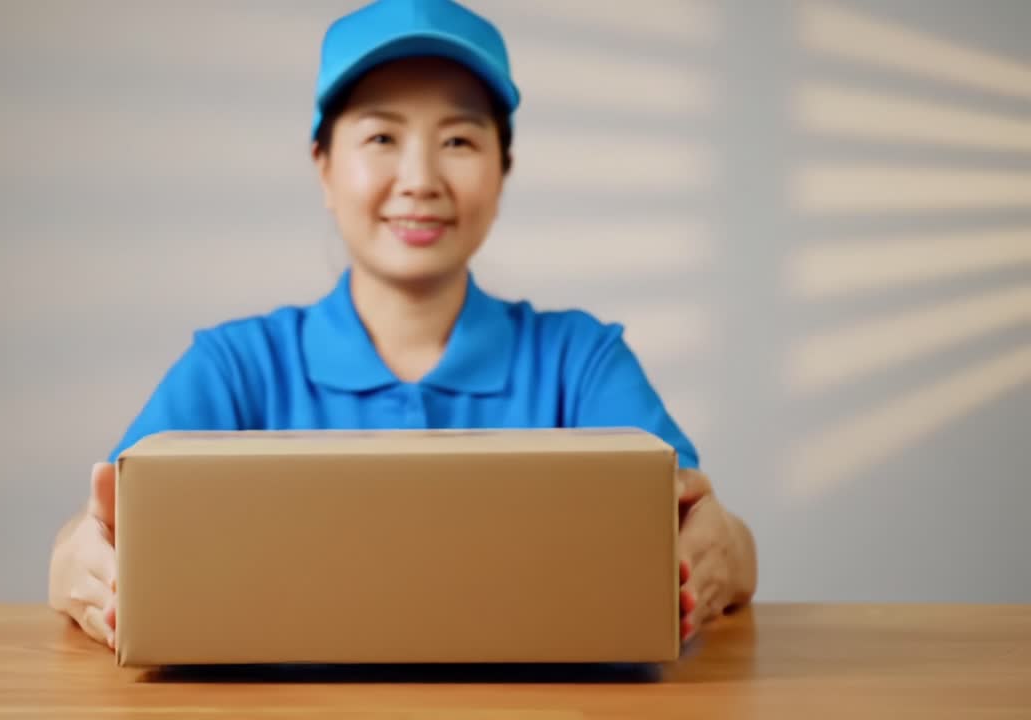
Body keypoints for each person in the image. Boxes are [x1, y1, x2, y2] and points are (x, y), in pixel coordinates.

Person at [48, 0, 757, 651]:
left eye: (459, 141)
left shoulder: (581, 361)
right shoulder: (237, 367)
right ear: (323, 167)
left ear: (503, 170)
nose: (419, 179)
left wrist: (725, 550)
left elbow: (710, 530)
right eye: (382, 136)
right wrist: (76, 566)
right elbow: (97, 534)